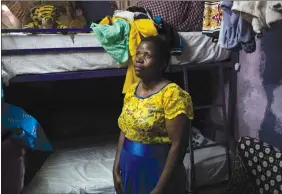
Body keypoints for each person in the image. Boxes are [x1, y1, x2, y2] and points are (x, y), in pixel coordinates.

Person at [113, 35, 194, 194]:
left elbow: (178, 146)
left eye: (147, 55)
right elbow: (125, 131)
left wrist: (158, 189)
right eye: (138, 54)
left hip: (157, 171)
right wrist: (115, 169)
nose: (139, 59)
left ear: (162, 64)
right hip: (129, 168)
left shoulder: (172, 95)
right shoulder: (132, 91)